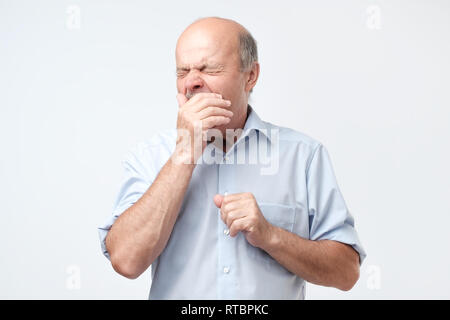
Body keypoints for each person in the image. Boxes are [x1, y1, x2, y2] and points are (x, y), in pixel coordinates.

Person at [98, 17, 366, 299]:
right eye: (182, 72)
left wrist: (271, 236)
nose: (191, 83)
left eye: (208, 68)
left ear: (250, 75)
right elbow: (126, 261)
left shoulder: (303, 156)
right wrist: (185, 152)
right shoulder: (150, 157)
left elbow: (346, 272)